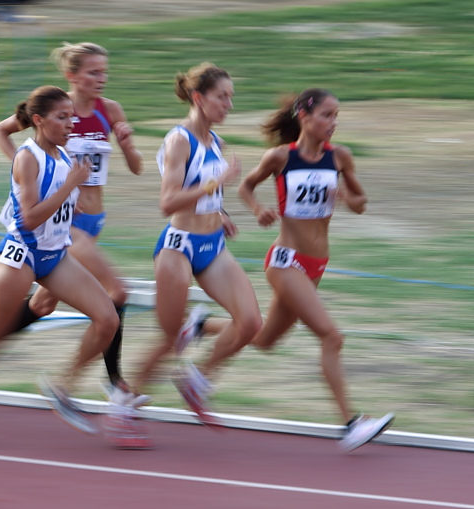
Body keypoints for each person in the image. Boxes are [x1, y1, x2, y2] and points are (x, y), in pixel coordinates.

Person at [0, 86, 119, 447]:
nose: (71, 123)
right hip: (21, 255)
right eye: (63, 117)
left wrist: (72, 206)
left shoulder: (62, 155)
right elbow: (27, 219)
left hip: (55, 255)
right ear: (39, 120)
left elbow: (59, 207)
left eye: (72, 116)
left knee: (108, 318)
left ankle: (63, 388)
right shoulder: (28, 157)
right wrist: (68, 189)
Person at [233, 88, 394, 451]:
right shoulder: (280, 157)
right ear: (304, 117)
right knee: (332, 337)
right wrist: (258, 209)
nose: (333, 123)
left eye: (337, 116)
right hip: (285, 260)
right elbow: (246, 186)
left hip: (316, 265)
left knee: (264, 340)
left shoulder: (340, 157)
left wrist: (347, 196)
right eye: (327, 115)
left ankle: (200, 324)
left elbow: (360, 203)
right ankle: (351, 424)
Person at [0, 42, 144, 404]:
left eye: (104, 72)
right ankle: (112, 384)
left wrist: (127, 144)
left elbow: (136, 167)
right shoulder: (55, 109)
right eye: (93, 72)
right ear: (71, 75)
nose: (101, 79)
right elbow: (0, 132)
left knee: (43, 306)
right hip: (64, 225)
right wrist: (33, 173)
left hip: (94, 221)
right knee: (117, 292)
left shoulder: (110, 110)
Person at [131, 62, 261, 430]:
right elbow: (168, 202)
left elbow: (208, 192)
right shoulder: (179, 140)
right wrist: (216, 183)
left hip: (212, 245)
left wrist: (220, 212)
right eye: (222, 97)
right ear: (198, 97)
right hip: (179, 247)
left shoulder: (215, 142)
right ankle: (125, 402)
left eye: (231, 97)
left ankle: (195, 382)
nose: (229, 105)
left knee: (251, 322)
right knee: (168, 337)